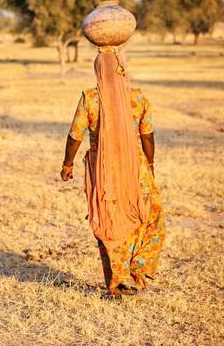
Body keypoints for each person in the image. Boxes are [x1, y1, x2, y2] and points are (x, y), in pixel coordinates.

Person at [60, 46, 165, 300]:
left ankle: (116, 281)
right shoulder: (138, 98)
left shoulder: (90, 99)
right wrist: (149, 163)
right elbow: (147, 136)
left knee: (109, 221)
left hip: (104, 168)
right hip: (135, 167)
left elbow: (75, 135)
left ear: (98, 70)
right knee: (149, 215)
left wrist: (67, 164)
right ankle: (136, 271)